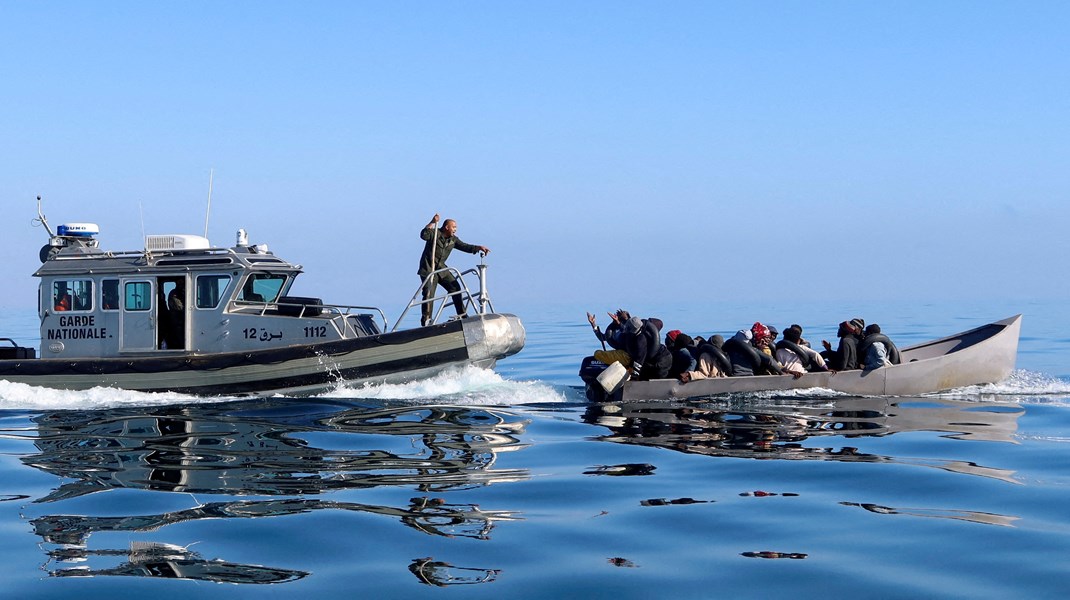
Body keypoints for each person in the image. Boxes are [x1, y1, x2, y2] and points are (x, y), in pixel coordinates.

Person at [417, 214, 489, 327]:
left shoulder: (453, 240)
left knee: (455, 287)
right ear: (447, 227)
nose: (455, 229)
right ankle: (426, 321)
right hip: (428, 269)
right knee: (429, 294)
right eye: (453, 227)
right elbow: (423, 235)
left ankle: (462, 315)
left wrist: (478, 247)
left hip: (441, 268)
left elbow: (465, 246)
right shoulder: (435, 233)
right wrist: (432, 221)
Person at [622, 316, 672, 380]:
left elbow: (639, 358)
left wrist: (634, 376)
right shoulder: (640, 332)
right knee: (645, 373)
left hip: (662, 358)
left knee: (657, 375)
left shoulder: (641, 340)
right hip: (654, 358)